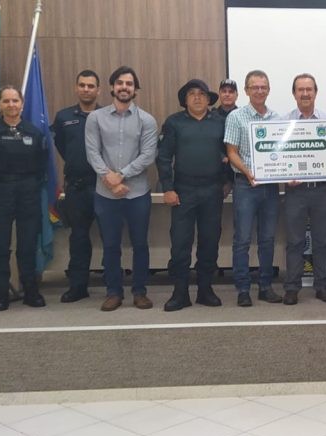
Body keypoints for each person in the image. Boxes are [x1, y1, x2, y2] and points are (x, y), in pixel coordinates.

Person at [84, 65, 158, 311]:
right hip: (105, 194)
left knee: (140, 244)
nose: (124, 87)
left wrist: (121, 176)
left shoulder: (147, 120)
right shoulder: (96, 118)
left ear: (135, 89)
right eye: (120, 83)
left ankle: (140, 292)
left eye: (129, 83)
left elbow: (148, 155)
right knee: (111, 245)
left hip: (137, 193)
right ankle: (113, 292)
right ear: (112, 87)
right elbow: (92, 152)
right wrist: (109, 179)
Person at [157, 79, 228, 311]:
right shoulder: (174, 123)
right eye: (192, 94)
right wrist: (167, 187)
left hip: (212, 191)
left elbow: (231, 153)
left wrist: (227, 182)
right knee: (180, 244)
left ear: (209, 99)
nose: (197, 97)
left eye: (202, 94)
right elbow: (164, 157)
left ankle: (205, 290)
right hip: (183, 192)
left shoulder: (221, 122)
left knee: (209, 242)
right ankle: (180, 293)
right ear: (185, 100)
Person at [0, 85, 48, 311]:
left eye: (15, 101)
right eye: (6, 101)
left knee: (28, 245)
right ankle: (1, 293)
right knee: (0, 245)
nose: (11, 105)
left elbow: (42, 165)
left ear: (22, 104)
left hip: (28, 192)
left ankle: (30, 290)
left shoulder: (33, 132)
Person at [281, 73, 326, 305]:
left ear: (316, 93)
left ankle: (322, 286)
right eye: (301, 90)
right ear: (294, 93)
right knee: (295, 241)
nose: (305, 93)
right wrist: (283, 174)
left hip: (321, 190)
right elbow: (275, 155)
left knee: (322, 241)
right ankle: (292, 287)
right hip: (295, 191)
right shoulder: (283, 121)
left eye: (309, 89)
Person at [225, 70, 283, 307]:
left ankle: (265, 286)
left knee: (267, 239)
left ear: (268, 89)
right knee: (242, 239)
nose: (259, 91)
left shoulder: (277, 119)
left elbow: (282, 154)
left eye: (263, 87)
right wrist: (249, 172)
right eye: (254, 87)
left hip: (270, 187)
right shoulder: (236, 117)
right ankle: (243, 288)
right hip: (245, 186)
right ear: (247, 90)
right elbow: (231, 153)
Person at [52, 70, 100, 303]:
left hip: (103, 186)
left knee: (112, 238)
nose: (86, 89)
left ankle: (115, 286)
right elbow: (62, 146)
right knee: (78, 238)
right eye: (82, 85)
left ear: (98, 90)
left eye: (91, 86)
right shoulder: (63, 117)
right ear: (76, 88)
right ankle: (78, 286)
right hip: (77, 188)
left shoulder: (107, 115)